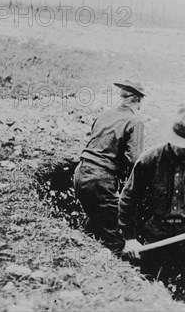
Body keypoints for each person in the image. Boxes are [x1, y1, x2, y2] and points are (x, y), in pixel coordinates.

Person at [119, 106, 185, 310]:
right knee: (150, 285)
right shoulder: (150, 160)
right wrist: (129, 238)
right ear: (177, 142)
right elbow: (128, 199)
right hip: (159, 234)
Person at [73, 76, 145, 254]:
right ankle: (123, 274)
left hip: (80, 174)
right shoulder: (135, 121)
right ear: (138, 99)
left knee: (96, 223)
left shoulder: (104, 115)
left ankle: (82, 255)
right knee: (117, 235)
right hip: (100, 180)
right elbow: (135, 159)